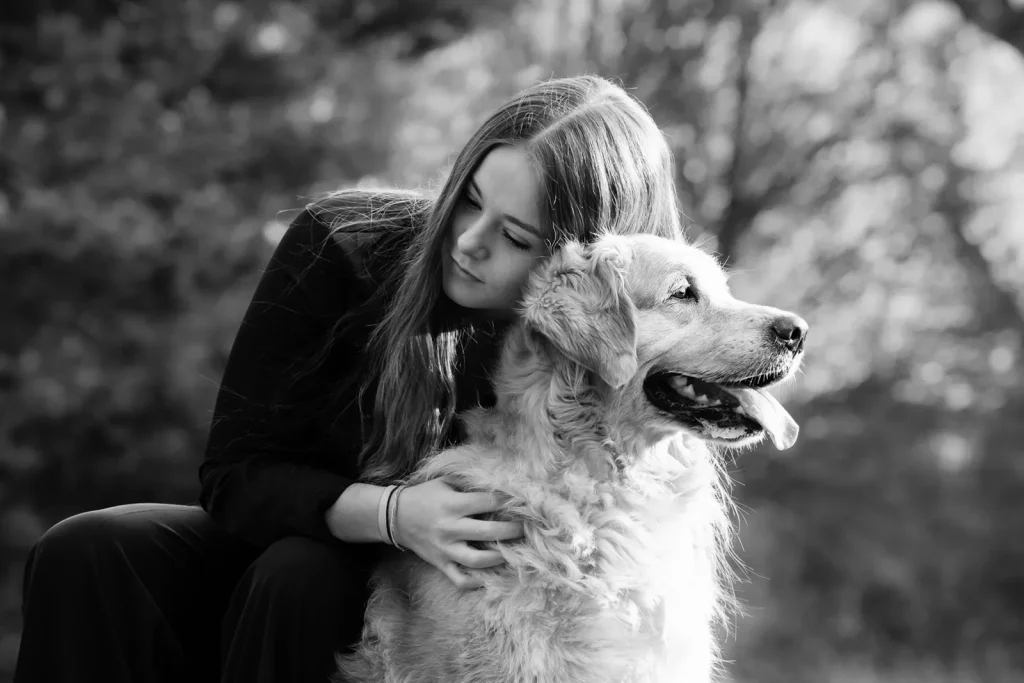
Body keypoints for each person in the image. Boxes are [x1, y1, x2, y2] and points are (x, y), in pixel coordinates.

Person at [14, 74, 687, 683]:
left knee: (299, 581)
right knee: (91, 550)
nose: (468, 242)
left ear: (585, 264)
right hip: (309, 529)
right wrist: (396, 514)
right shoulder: (343, 243)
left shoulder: (599, 354)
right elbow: (236, 476)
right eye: (468, 200)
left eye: (515, 237)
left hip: (455, 597)